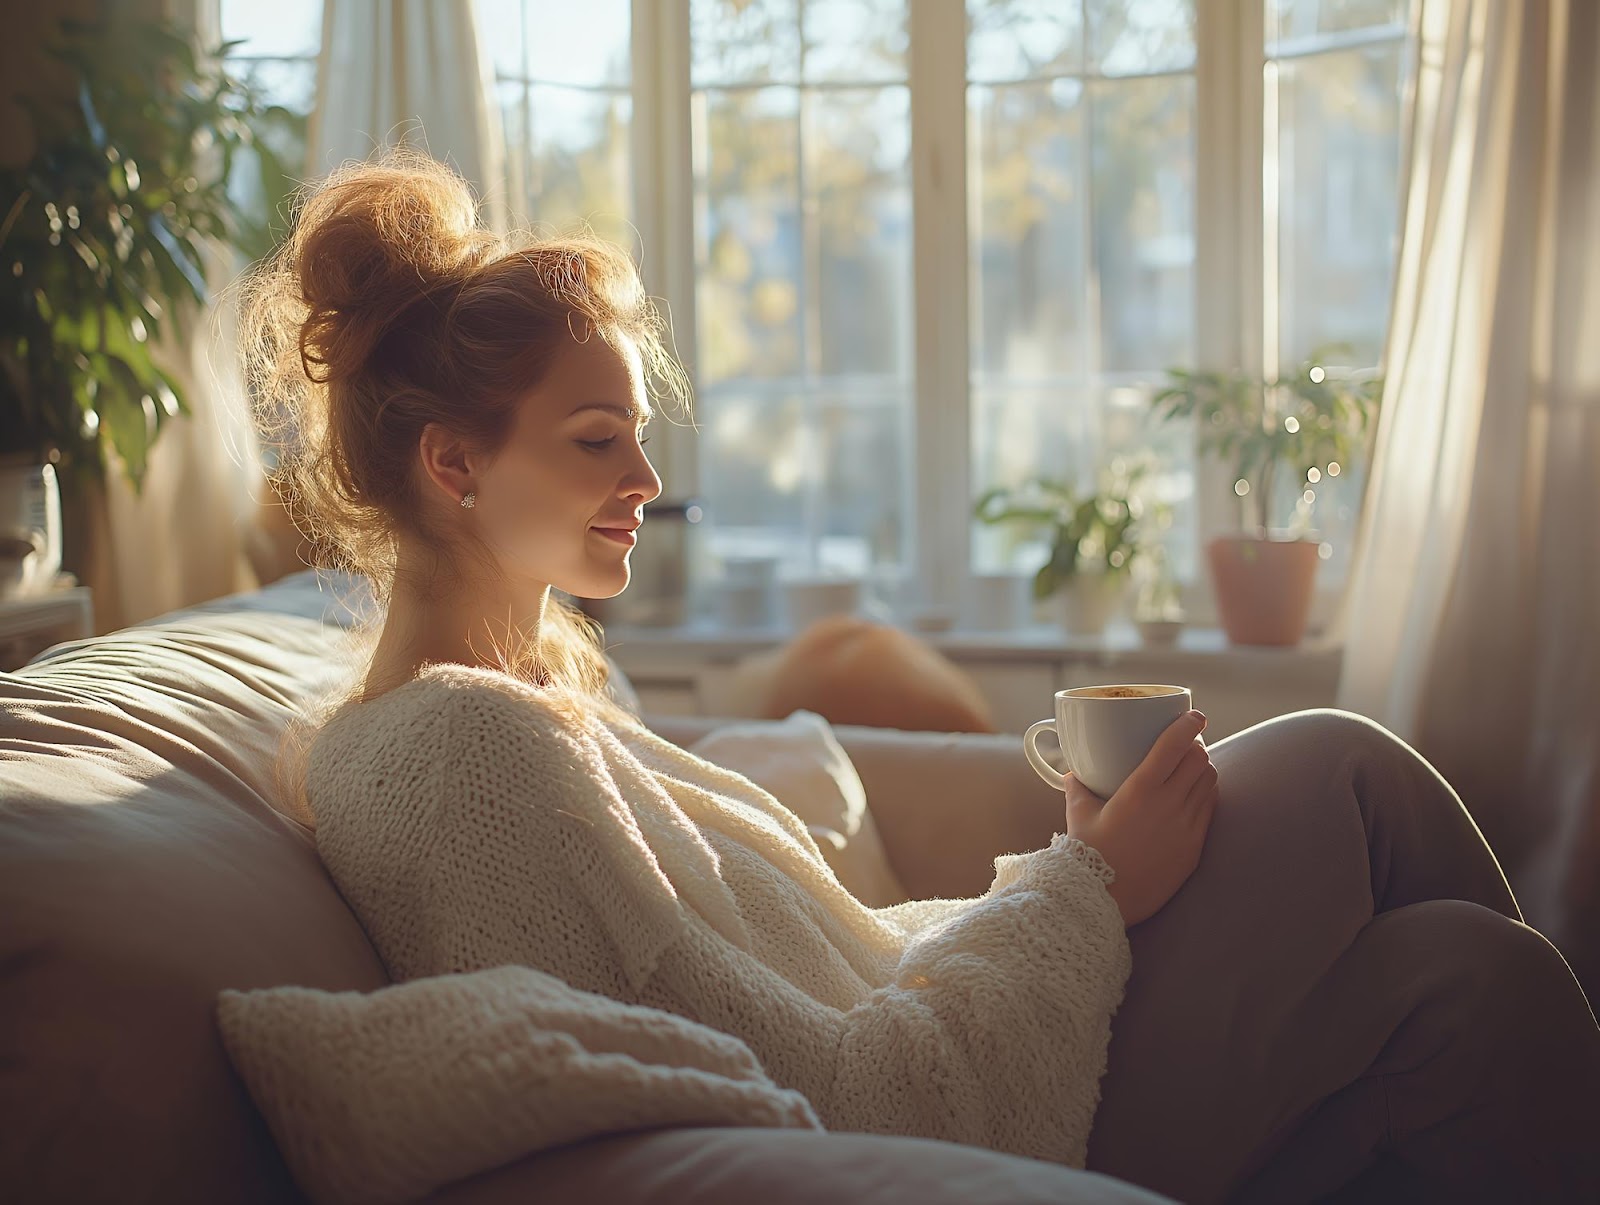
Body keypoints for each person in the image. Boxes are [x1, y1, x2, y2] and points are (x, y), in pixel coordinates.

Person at [246, 152, 1600, 1205]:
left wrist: (1060, 878)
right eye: (600, 441)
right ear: (454, 463)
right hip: (986, 1128)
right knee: (1345, 774)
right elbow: (831, 1096)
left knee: (1477, 985)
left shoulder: (526, 706)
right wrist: (1097, 887)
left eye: (638, 440)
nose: (647, 484)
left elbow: (827, 969)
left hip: (983, 1039)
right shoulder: (459, 761)